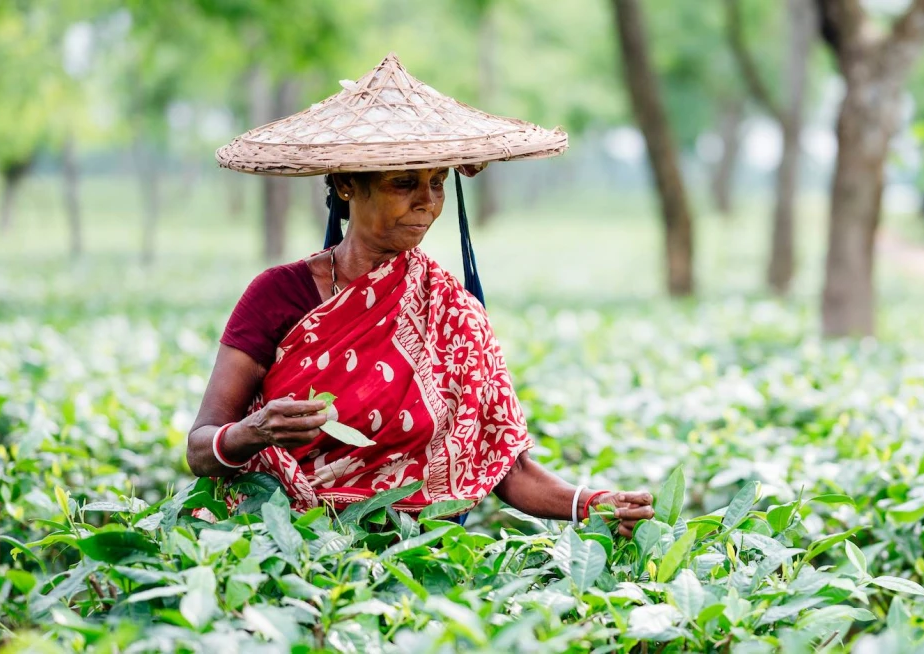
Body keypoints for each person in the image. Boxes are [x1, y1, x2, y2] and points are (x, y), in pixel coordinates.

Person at [187, 54, 654, 535]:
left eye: (437, 183)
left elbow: (509, 468)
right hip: (281, 537)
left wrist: (593, 503)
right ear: (348, 184)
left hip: (411, 550)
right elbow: (200, 449)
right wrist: (253, 432)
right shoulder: (278, 295)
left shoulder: (453, 312)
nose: (427, 202)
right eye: (404, 183)